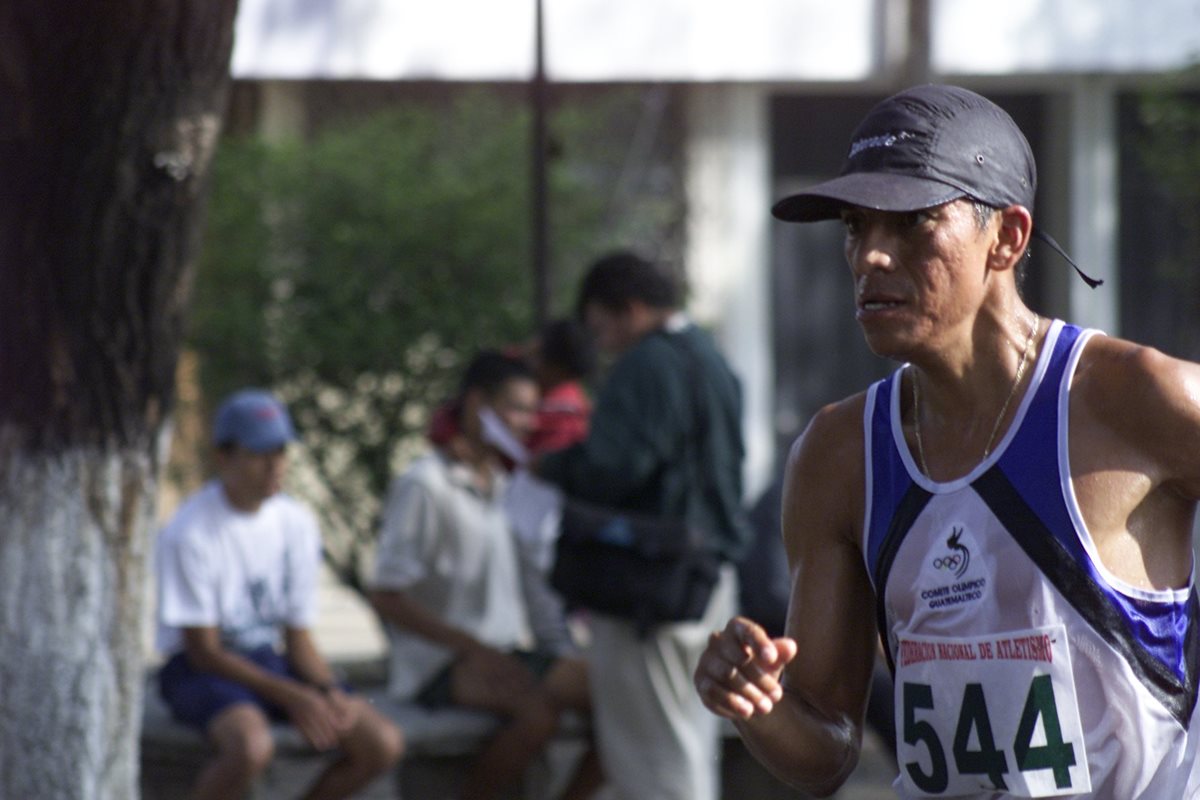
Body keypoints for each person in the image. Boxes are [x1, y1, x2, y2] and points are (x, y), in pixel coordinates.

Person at [694, 83, 1200, 798]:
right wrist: (762, 707)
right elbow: (827, 748)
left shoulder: (1134, 398)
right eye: (855, 227)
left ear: (1008, 237)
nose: (870, 256)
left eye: (911, 225)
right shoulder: (839, 455)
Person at [534, 251, 752, 800]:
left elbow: (612, 468)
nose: (598, 340)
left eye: (599, 324)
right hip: (707, 578)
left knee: (649, 756)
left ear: (628, 310)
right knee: (688, 742)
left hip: (649, 589)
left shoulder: (646, 364)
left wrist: (550, 464)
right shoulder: (708, 354)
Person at [368, 350, 601, 800]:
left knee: (617, 699)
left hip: (503, 651)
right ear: (478, 405)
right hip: (437, 664)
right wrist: (471, 649)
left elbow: (536, 584)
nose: (527, 423)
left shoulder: (506, 483)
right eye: (516, 407)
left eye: (533, 410)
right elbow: (385, 594)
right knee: (537, 714)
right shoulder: (425, 484)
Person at [155, 388, 404, 800]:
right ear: (224, 457)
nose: (275, 467)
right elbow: (203, 651)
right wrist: (292, 696)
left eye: (282, 452)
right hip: (198, 669)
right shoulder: (190, 531)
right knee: (250, 747)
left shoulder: (296, 522)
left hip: (268, 660)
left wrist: (325, 690)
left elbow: (298, 636)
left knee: (381, 742)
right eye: (258, 454)